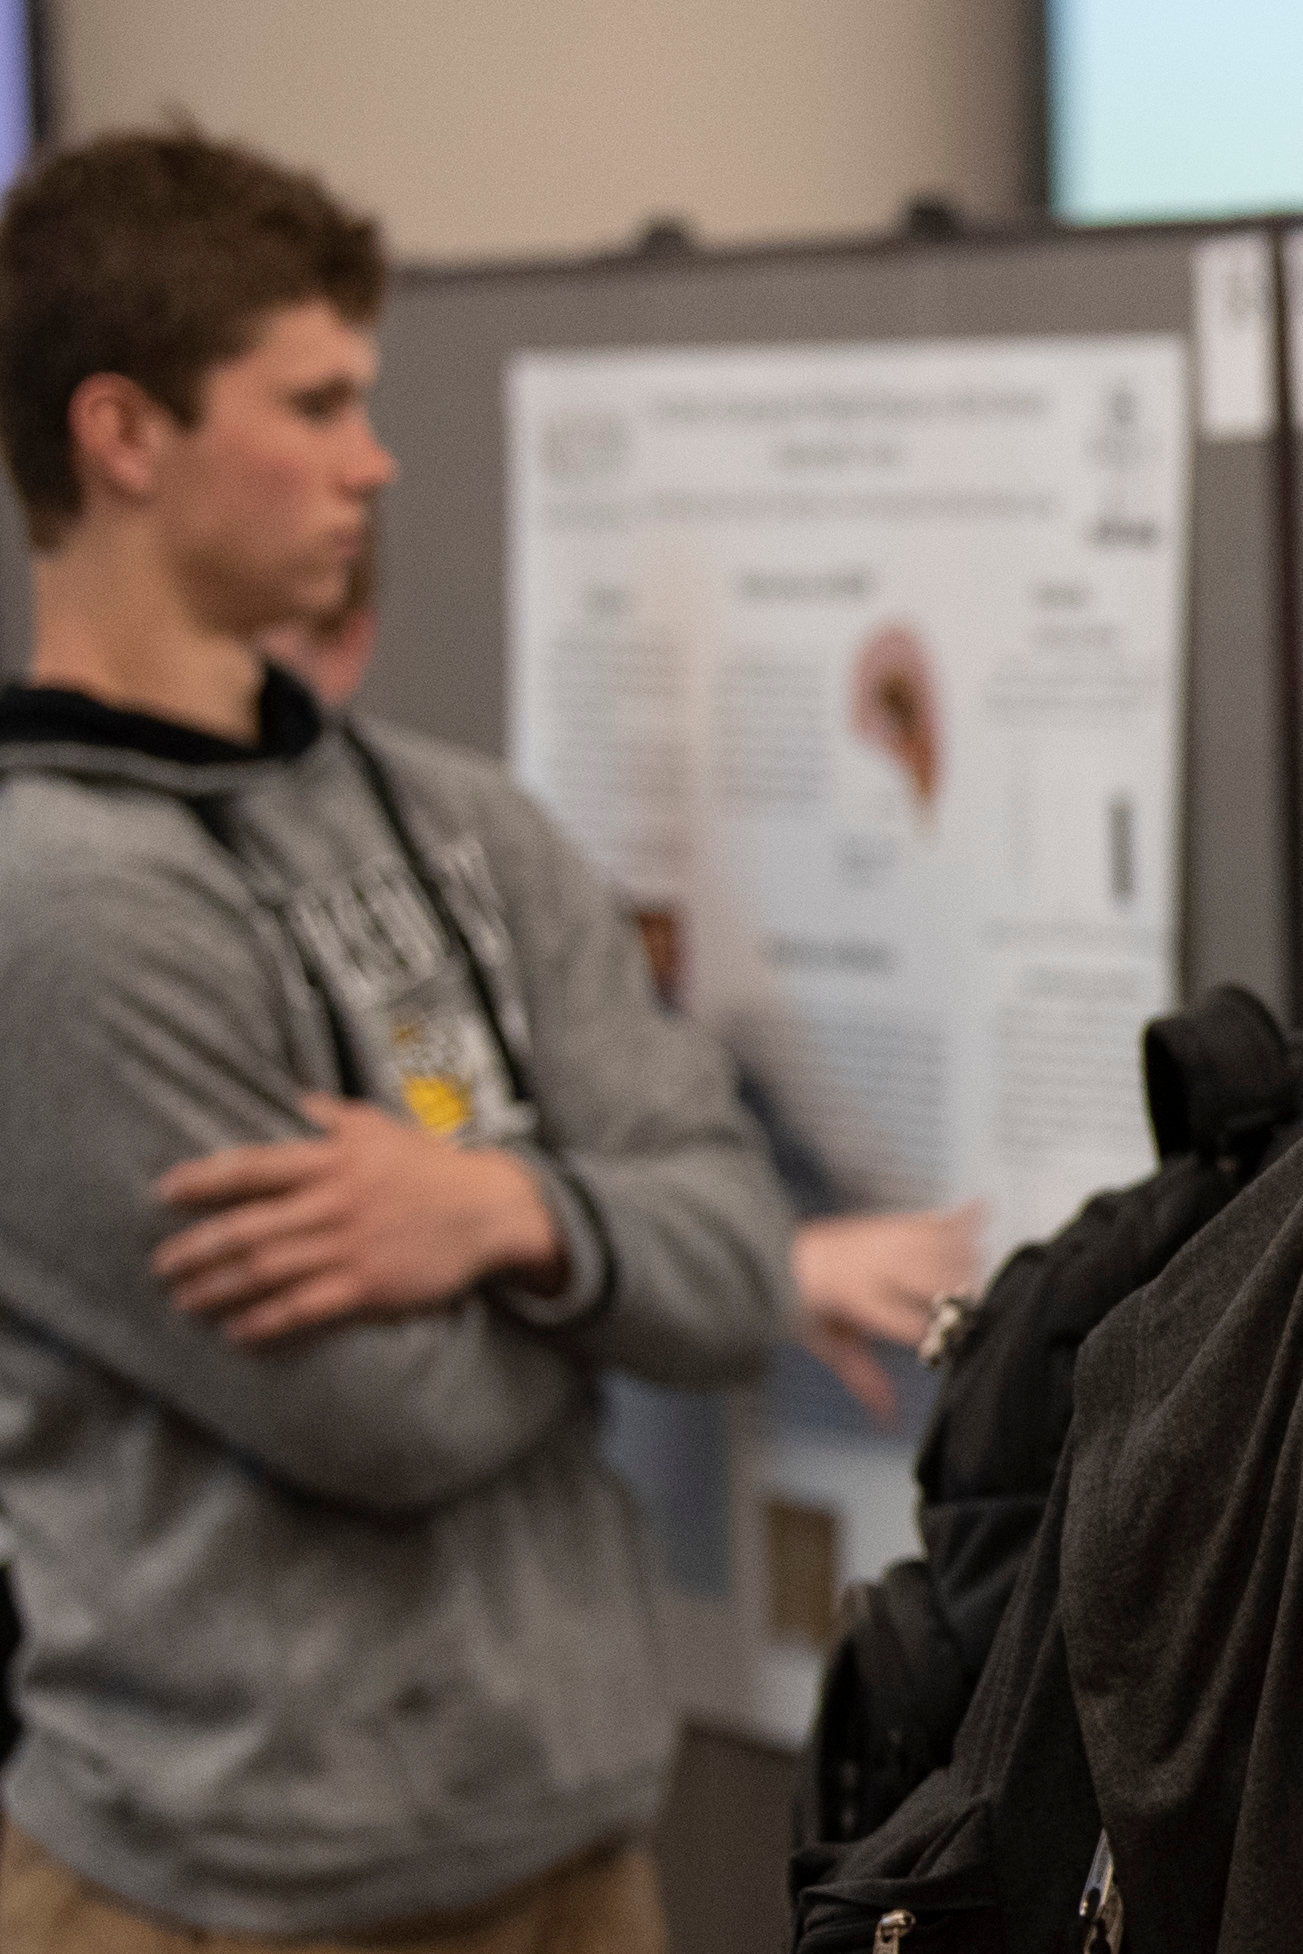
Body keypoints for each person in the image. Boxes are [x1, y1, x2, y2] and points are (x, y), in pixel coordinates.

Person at [0, 128, 796, 1952]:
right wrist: (608, 1273)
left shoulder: (463, 821)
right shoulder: (56, 899)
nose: (377, 456)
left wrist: (503, 1219)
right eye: (317, 400)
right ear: (125, 435)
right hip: (229, 1891)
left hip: (573, 1839)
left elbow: (738, 1257)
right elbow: (380, 1411)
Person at [255, 546, 984, 1418]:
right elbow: (374, 1395)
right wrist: (674, 1282)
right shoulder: (137, 912)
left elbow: (713, 1207)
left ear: (351, 643)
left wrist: (514, 1224)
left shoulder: (479, 843)